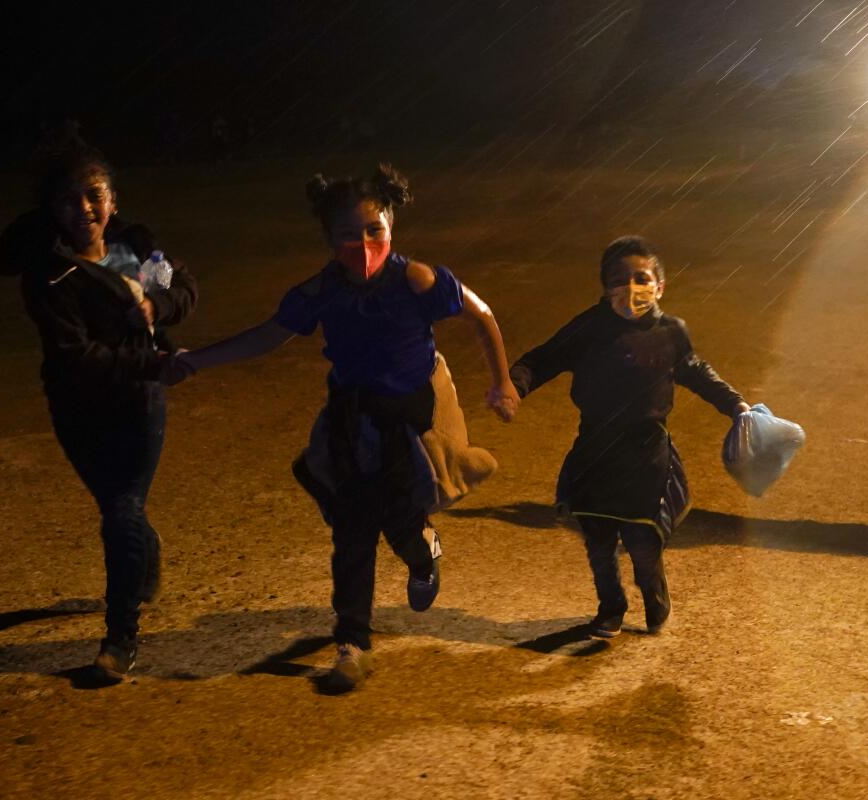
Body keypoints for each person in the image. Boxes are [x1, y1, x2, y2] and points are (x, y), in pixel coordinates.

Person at [163, 164, 518, 692]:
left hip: (409, 422)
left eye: (374, 229)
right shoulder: (322, 291)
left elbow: (482, 314)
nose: (364, 243)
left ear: (391, 225)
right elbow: (266, 336)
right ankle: (352, 643)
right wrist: (196, 360)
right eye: (348, 234)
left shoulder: (416, 279)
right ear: (329, 240)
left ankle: (422, 552)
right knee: (352, 530)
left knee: (396, 517)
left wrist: (503, 383)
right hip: (352, 419)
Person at [0, 141, 199, 682]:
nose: (84, 208)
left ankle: (120, 637)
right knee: (121, 509)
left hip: (140, 405)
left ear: (112, 199)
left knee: (121, 507)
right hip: (80, 411)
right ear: (51, 212)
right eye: (68, 200)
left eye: (94, 194)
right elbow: (74, 356)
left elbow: (183, 286)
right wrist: (152, 362)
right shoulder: (49, 275)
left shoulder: (136, 245)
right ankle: (144, 549)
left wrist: (157, 305)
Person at [508, 236, 749, 639]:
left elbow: (696, 372)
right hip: (595, 453)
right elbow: (543, 358)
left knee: (643, 543)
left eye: (641, 277)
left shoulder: (671, 332)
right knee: (599, 543)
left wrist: (736, 405)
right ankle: (610, 608)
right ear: (605, 288)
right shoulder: (589, 327)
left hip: (646, 457)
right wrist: (514, 385)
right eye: (619, 279)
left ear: (660, 285)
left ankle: (654, 598)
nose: (631, 287)